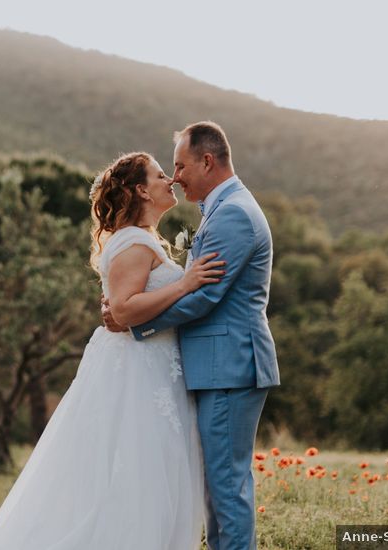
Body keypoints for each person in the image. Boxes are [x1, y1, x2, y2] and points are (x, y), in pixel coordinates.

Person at [0, 151, 226, 549]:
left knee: (147, 470)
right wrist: (184, 284)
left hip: (153, 365)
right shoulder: (133, 240)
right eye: (160, 175)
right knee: (138, 471)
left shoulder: (142, 239)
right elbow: (124, 310)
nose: (170, 181)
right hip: (138, 370)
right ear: (139, 190)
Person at [104, 121, 279, 550]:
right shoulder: (224, 209)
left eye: (180, 166)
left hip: (228, 367)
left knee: (225, 485)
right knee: (220, 485)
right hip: (221, 366)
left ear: (207, 160)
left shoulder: (234, 213)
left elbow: (205, 298)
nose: (176, 177)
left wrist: (133, 321)